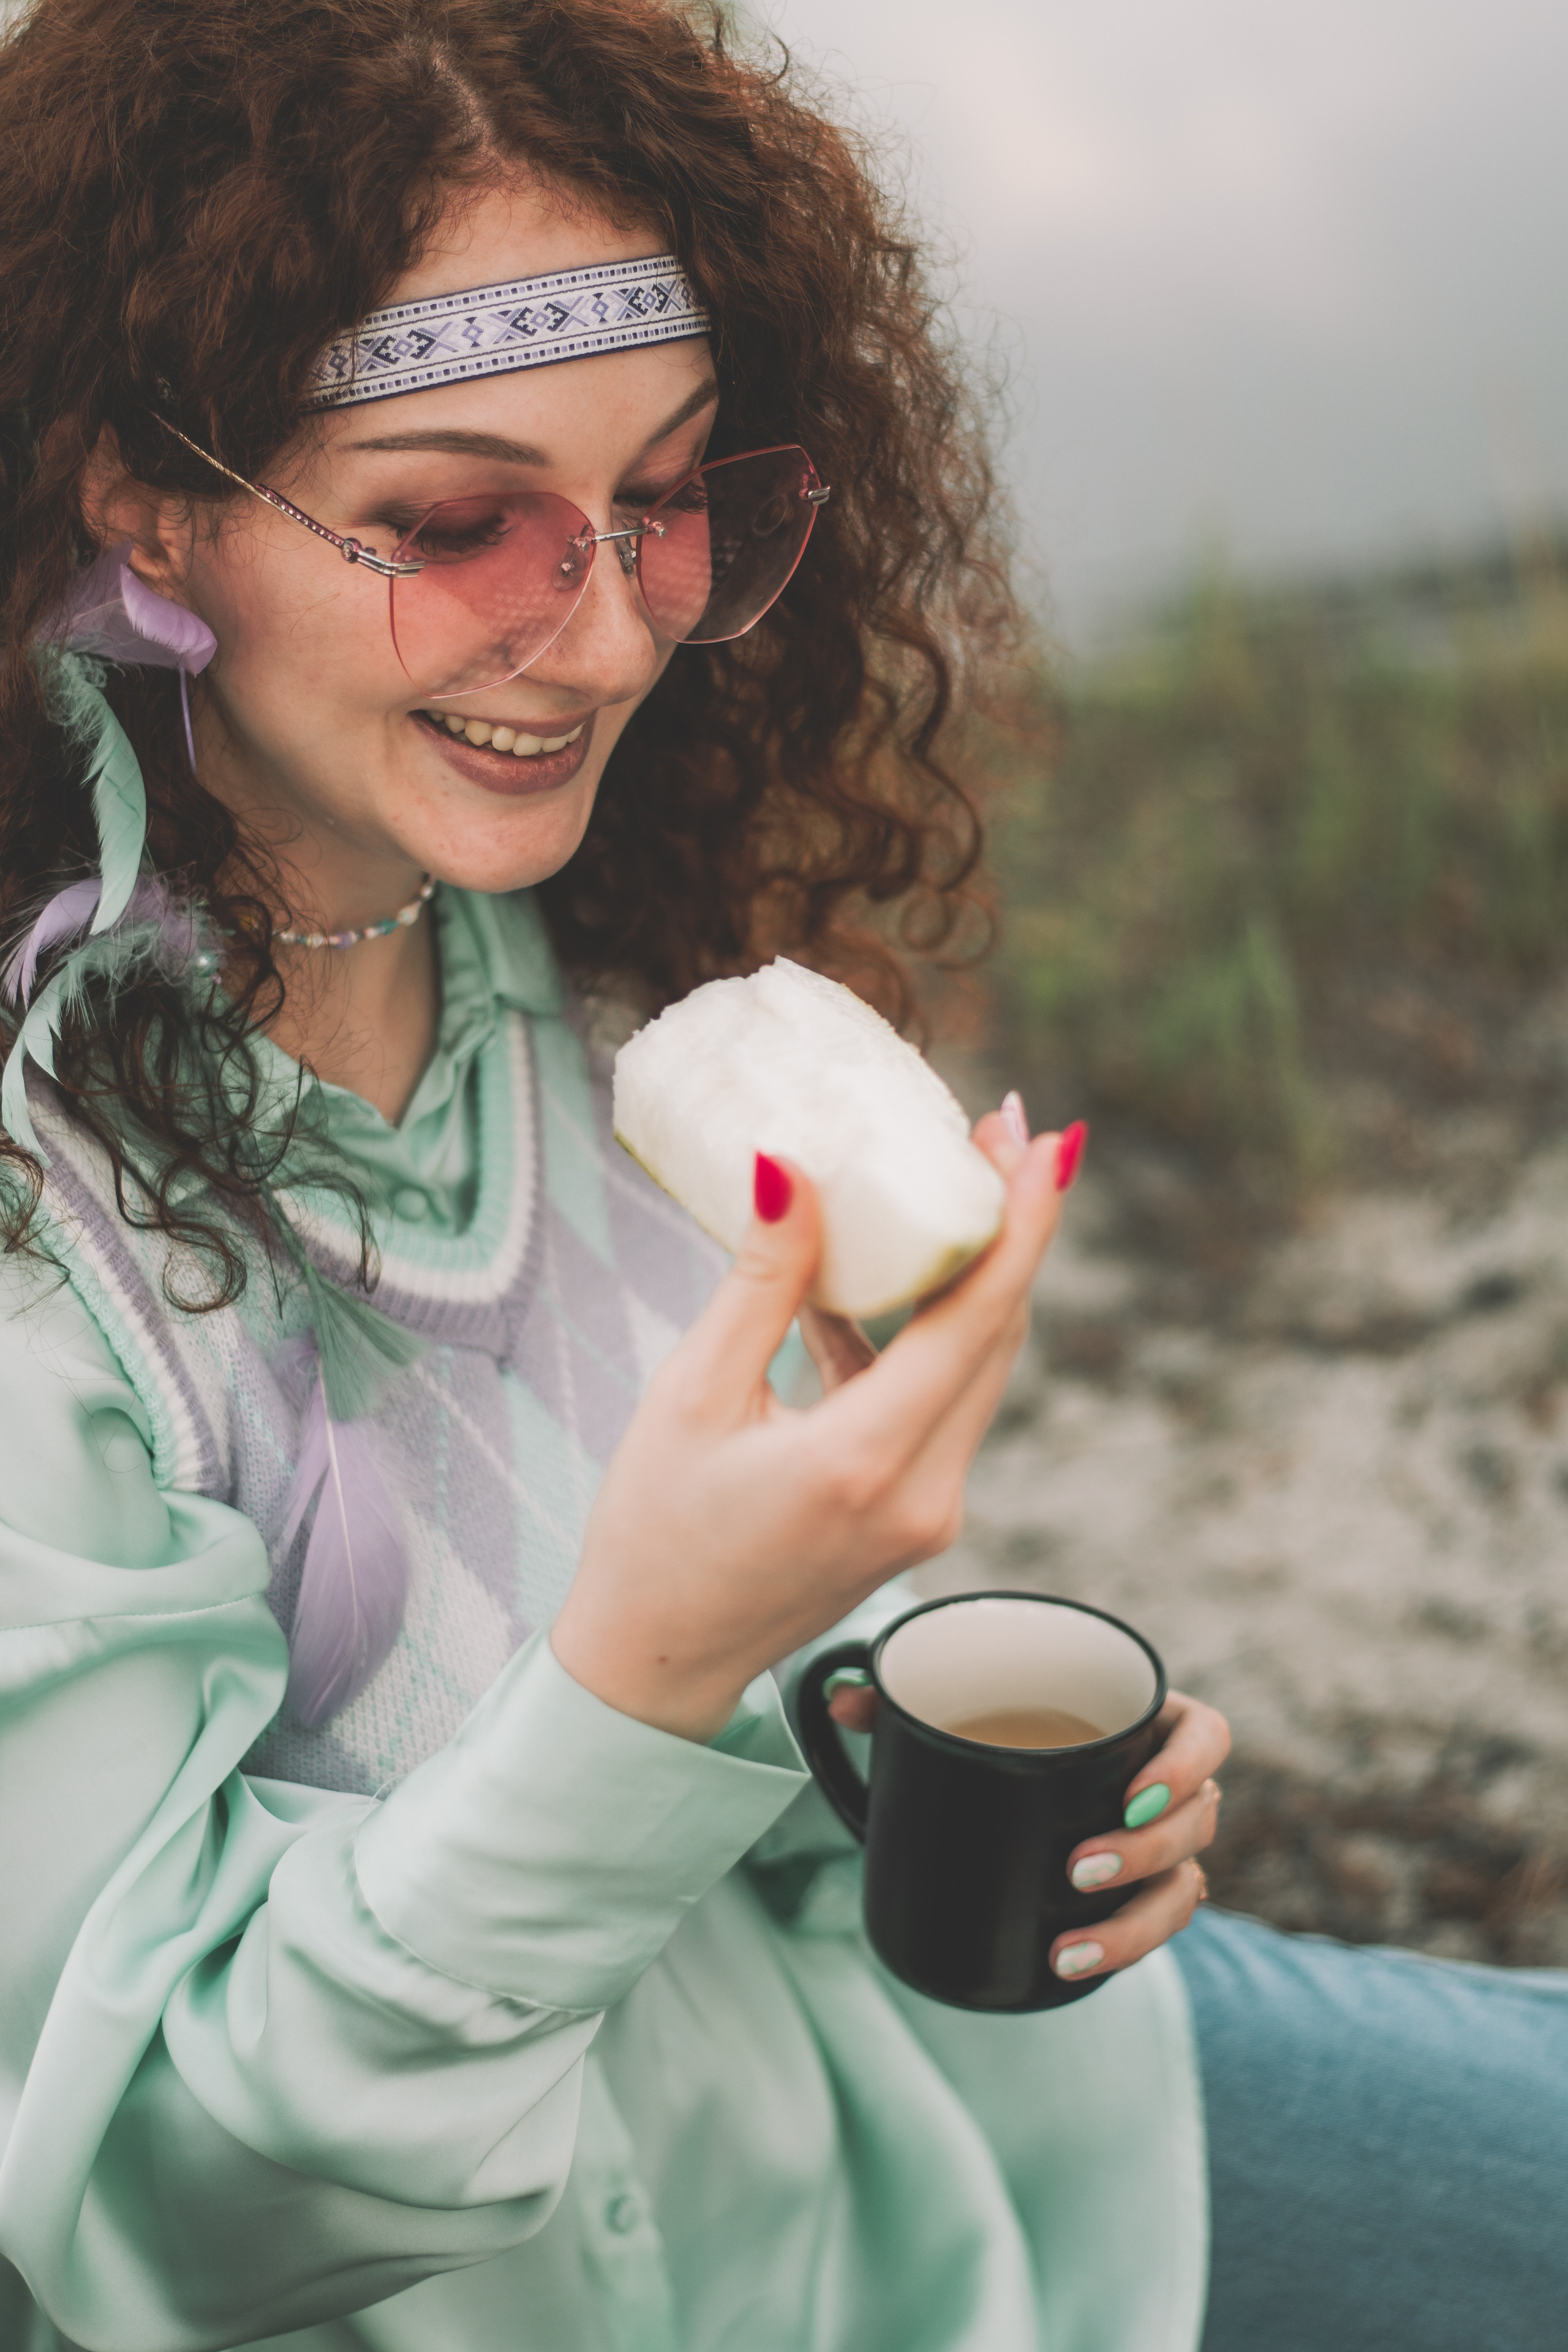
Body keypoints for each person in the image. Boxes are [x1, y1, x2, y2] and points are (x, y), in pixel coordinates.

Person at [0, 6, 1561, 2351]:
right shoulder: (53, 1262)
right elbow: (159, 2213)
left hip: (963, 2106)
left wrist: (897, 1703)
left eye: (670, 497)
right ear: (143, 490)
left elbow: (721, 1660)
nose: (612, 626)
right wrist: (655, 1660)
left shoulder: (563, 964)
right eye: (457, 519)